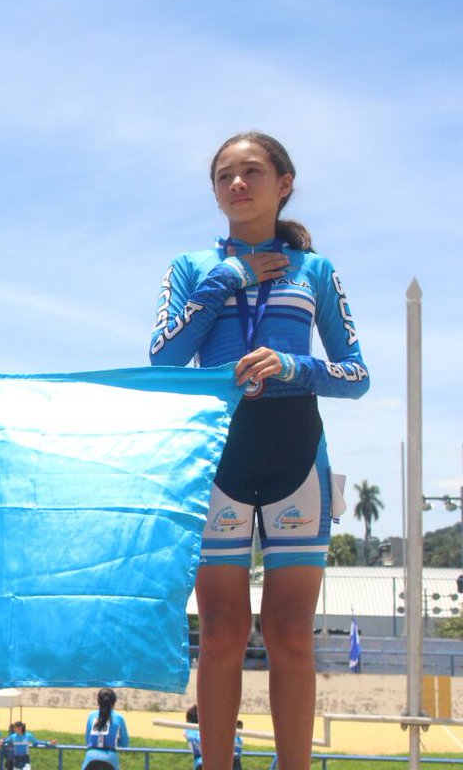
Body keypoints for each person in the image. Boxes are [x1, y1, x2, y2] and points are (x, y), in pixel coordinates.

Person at [149, 132, 369, 770]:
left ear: (284, 184)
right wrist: (226, 280)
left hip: (295, 452)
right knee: (219, 633)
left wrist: (296, 367)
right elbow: (163, 359)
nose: (237, 184)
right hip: (216, 452)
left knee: (291, 635)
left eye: (251, 172)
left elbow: (357, 373)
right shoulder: (192, 267)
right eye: (225, 176)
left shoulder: (315, 271)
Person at [79, 689, 127, 769]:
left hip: (91, 758)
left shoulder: (91, 716)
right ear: (114, 703)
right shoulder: (119, 718)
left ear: (98, 701)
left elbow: (88, 740)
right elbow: (125, 743)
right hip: (110, 759)